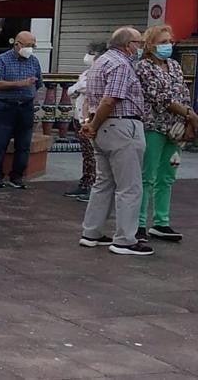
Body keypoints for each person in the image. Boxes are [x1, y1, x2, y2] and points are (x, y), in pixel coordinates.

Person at [79, 27, 152, 256]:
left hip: (105, 129)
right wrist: (94, 124)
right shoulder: (121, 65)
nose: (140, 47)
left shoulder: (100, 62)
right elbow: (110, 100)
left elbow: (92, 99)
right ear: (128, 44)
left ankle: (91, 232)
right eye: (139, 43)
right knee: (129, 186)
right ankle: (125, 239)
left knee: (104, 182)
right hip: (122, 125)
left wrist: (91, 123)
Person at [134, 24, 196, 243]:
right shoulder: (144, 67)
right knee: (147, 176)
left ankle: (161, 221)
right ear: (150, 45)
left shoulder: (175, 66)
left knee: (168, 175)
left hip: (175, 129)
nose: (168, 45)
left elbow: (183, 94)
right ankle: (139, 223)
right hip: (153, 126)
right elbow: (160, 97)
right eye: (162, 42)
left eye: (170, 41)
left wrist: (188, 120)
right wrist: (192, 115)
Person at [0, 31, 43, 188]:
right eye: (28, 45)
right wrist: (21, 84)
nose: (31, 49)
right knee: (0, 143)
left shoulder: (34, 61)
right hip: (5, 106)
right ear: (17, 45)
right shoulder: (2, 60)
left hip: (26, 106)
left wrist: (29, 92)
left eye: (33, 46)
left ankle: (17, 176)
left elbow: (38, 83)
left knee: (24, 144)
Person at [65, 42, 105, 202]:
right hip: (79, 116)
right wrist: (76, 88)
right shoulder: (86, 73)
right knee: (86, 155)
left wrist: (77, 88)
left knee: (93, 155)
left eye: (92, 53)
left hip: (90, 119)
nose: (88, 56)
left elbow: (85, 88)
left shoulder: (100, 73)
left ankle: (93, 187)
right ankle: (85, 183)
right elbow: (71, 90)